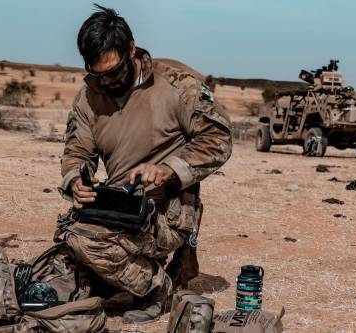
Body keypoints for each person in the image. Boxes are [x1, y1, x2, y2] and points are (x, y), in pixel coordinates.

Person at [56, 4, 232, 324]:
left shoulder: (179, 85)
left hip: (169, 213)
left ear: (131, 50)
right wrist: (75, 180)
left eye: (114, 71)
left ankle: (156, 289)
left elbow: (218, 140)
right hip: (118, 207)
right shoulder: (88, 97)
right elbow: (76, 151)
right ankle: (124, 278)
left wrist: (168, 170)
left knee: (87, 239)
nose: (107, 82)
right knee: (67, 249)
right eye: (98, 75)